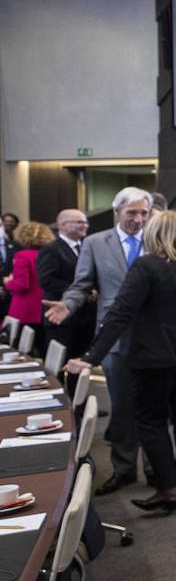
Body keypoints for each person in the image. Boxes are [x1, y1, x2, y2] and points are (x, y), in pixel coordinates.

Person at [66, 210, 176, 515]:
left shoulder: (146, 266)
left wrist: (90, 358)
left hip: (151, 358)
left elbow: (120, 313)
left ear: (152, 233)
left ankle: (168, 488)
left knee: (150, 422)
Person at [46, 187, 152, 495]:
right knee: (121, 406)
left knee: (153, 407)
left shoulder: (156, 238)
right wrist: (68, 304)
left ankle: (157, 470)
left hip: (154, 335)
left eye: (144, 213)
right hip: (113, 338)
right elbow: (82, 285)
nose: (138, 219)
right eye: (132, 213)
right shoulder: (95, 243)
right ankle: (124, 469)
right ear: (117, 212)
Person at [37, 210, 97, 359]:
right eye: (80, 222)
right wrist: (82, 292)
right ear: (62, 225)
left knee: (81, 362)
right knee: (60, 363)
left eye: (86, 222)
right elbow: (46, 280)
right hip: (61, 318)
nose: (85, 225)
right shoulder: (51, 249)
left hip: (86, 317)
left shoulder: (87, 247)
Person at [4, 222, 54, 354]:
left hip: (25, 310)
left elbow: (21, 285)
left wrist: (8, 282)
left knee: (19, 352)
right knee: (45, 349)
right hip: (46, 308)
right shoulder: (50, 254)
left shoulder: (22, 255)